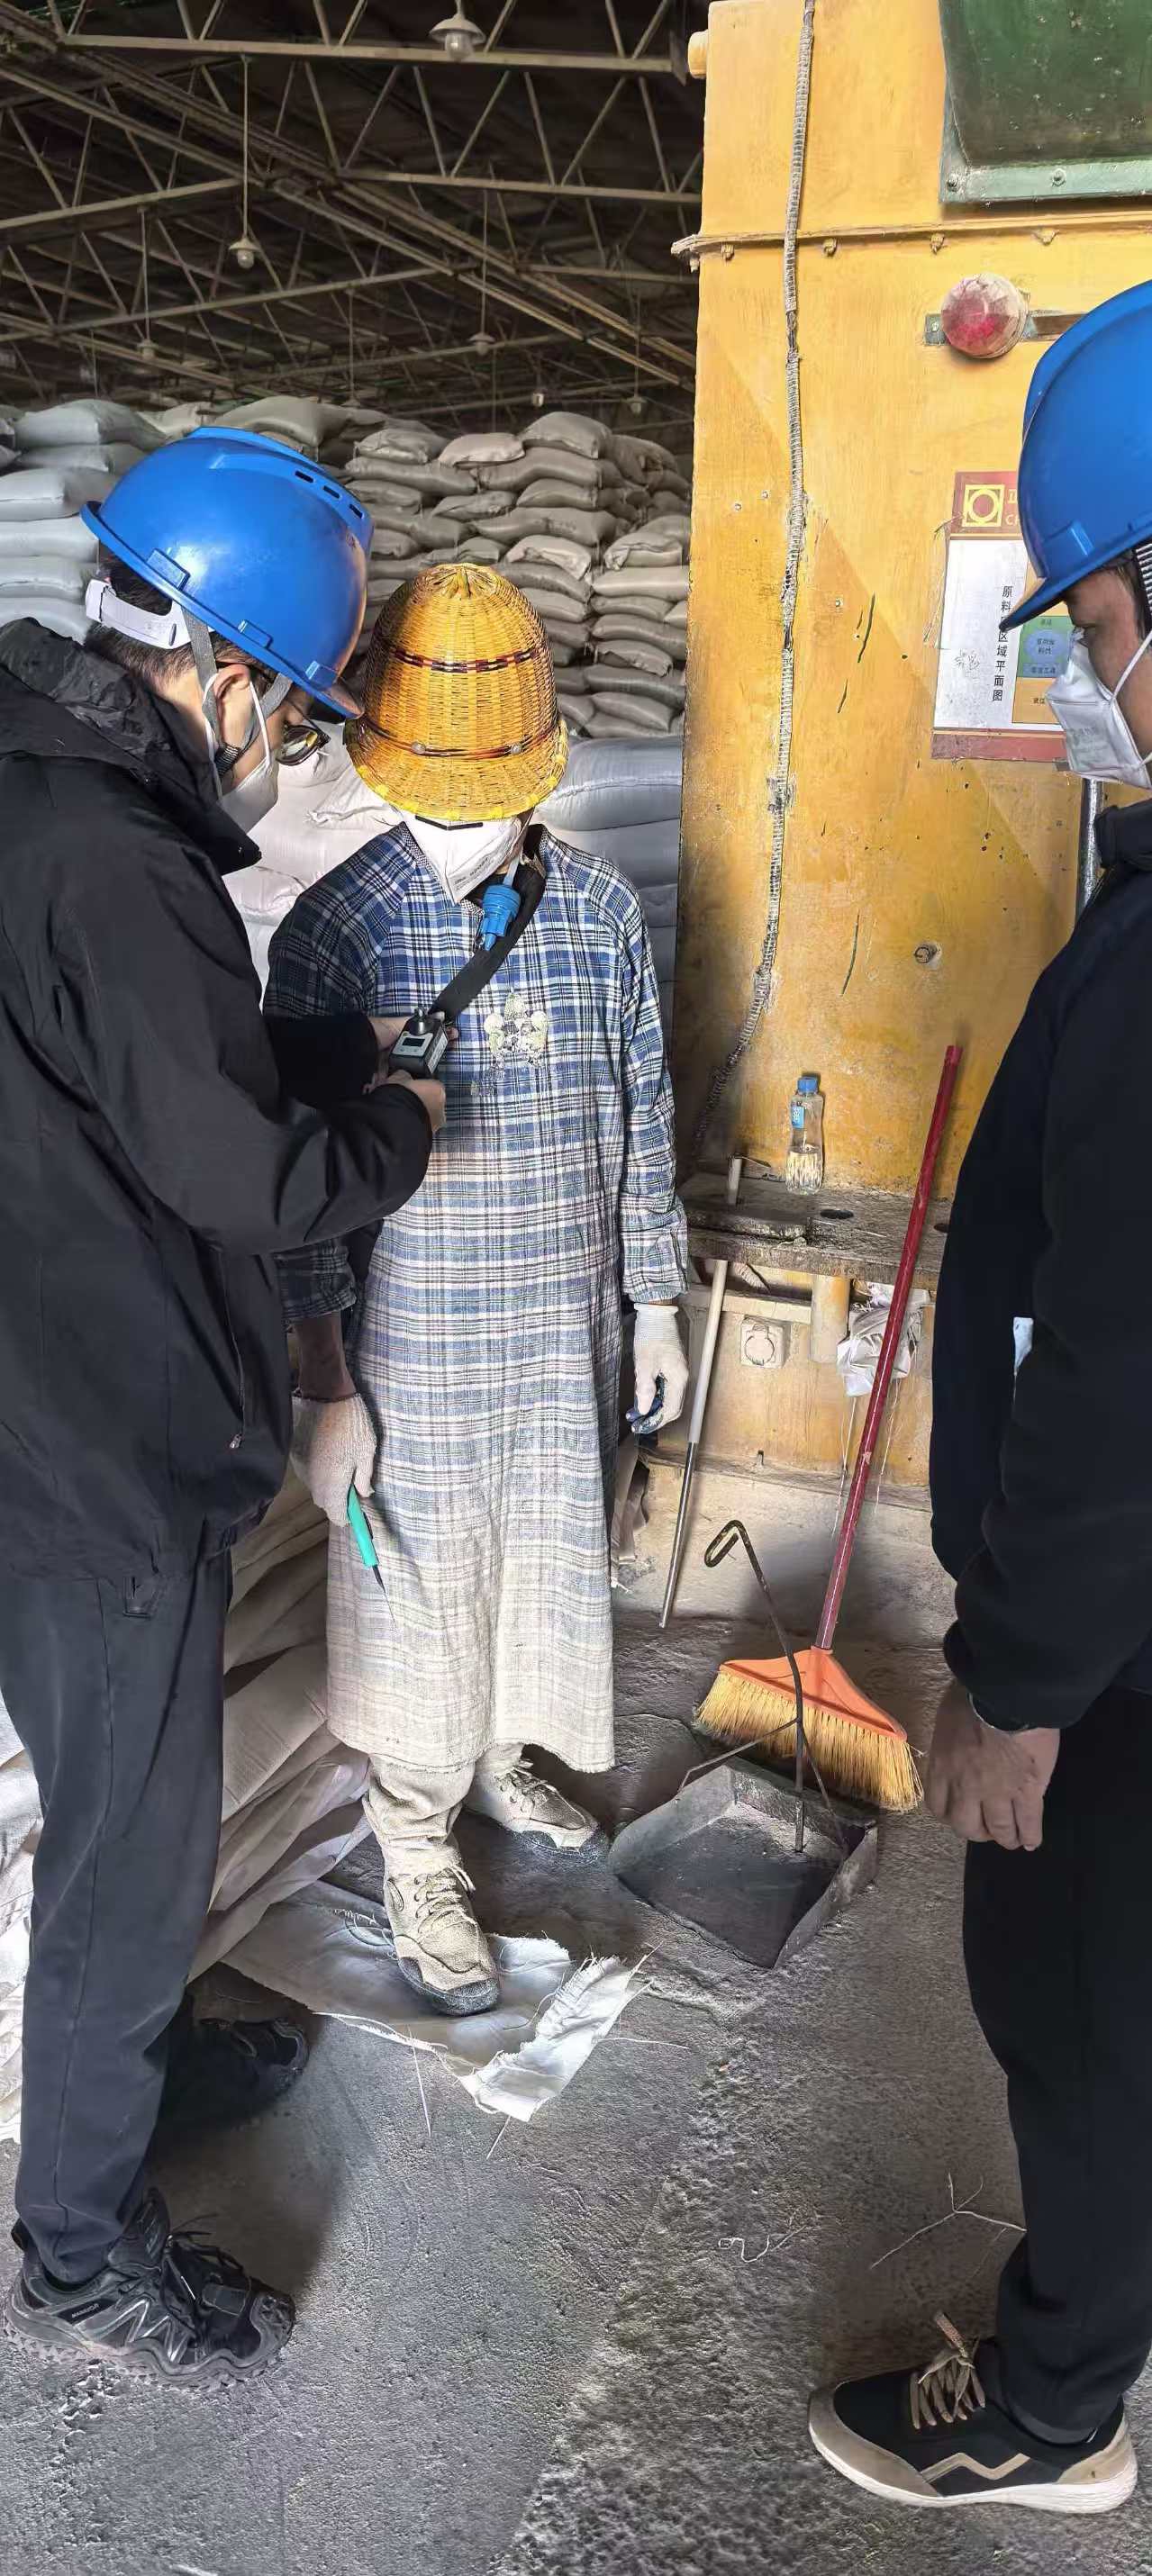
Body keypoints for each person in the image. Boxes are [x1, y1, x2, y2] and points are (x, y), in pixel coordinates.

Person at [0, 429, 446, 2386]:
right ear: (232, 671)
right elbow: (248, 1180)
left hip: (27, 1402)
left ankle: (130, 2066)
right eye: (298, 708)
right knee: (131, 1851)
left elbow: (121, 1067)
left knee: (114, 1817)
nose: (289, 750)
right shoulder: (123, 862)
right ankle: (80, 2253)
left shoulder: (36, 794)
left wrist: (314, 1047)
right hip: (98, 1451)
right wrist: (393, 1123)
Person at [809, 281, 1152, 2515]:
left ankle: (1051, 2407)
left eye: (1099, 618)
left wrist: (1014, 1684)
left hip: (1116, 1656)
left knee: (1078, 2008)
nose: (1093, 672)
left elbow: (1126, 1367)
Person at [271, 565, 689, 2013]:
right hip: (414, 1340)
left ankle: (506, 1754)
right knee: (421, 1592)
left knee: (544, 1557)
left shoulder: (600, 911)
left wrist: (657, 1297)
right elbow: (296, 1185)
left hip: (560, 1321)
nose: (467, 820)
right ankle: (414, 1843)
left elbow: (643, 1103)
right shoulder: (334, 931)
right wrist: (325, 1382)